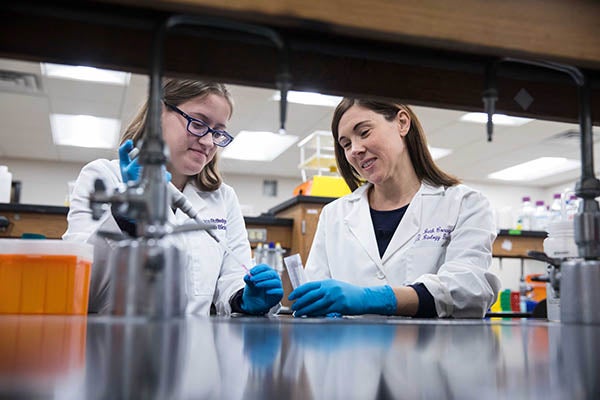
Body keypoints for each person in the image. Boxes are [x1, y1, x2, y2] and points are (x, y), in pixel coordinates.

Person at [63, 78, 283, 316]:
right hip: (119, 342)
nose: (209, 142)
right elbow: (79, 288)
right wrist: (126, 217)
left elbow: (233, 275)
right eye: (198, 123)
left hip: (197, 346)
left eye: (218, 133)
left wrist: (244, 297)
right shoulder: (103, 177)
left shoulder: (223, 197)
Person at [288, 98, 500, 318]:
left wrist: (375, 299)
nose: (355, 150)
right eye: (346, 144)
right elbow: (314, 297)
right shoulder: (334, 215)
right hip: (351, 349)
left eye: (364, 132)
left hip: (432, 349)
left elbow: (469, 291)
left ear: (402, 123)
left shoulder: (465, 204)